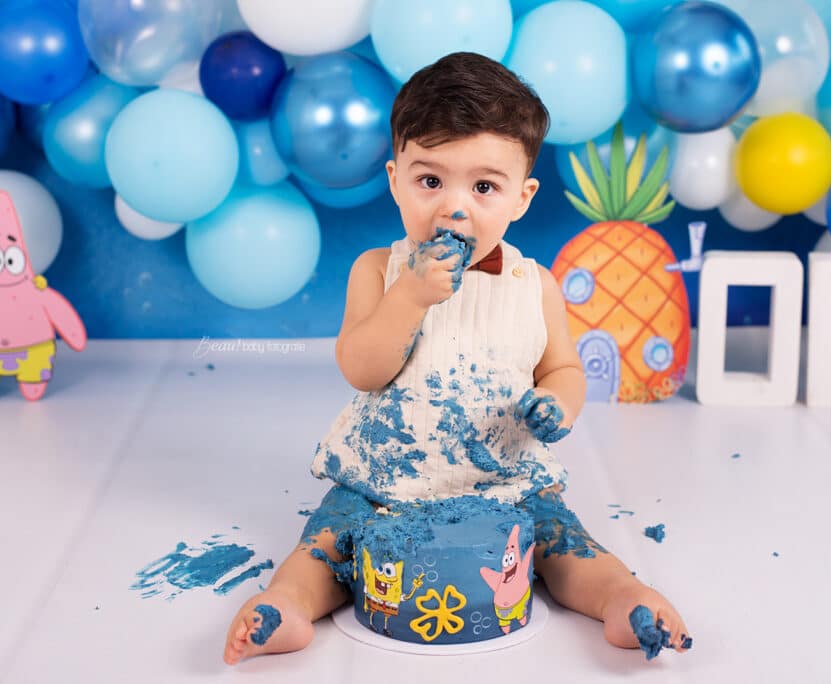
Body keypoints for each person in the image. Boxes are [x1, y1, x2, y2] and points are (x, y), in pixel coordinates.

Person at [224, 51, 691, 665]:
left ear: (521, 198)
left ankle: (623, 598)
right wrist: (410, 297)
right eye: (429, 181)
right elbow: (362, 368)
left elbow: (564, 370)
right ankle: (284, 608)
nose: (454, 207)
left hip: (505, 480)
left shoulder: (535, 286)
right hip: (384, 479)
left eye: (484, 187)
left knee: (564, 545)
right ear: (394, 179)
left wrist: (557, 402)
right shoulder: (378, 271)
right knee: (324, 547)